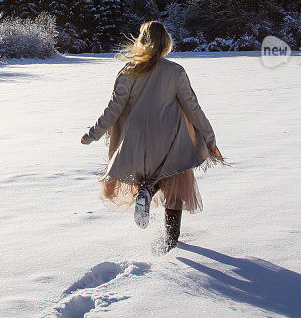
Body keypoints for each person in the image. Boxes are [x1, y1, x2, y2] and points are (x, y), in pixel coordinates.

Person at [81, 20, 225, 253]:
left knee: (149, 175)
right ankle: (170, 240)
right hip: (171, 135)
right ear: (166, 42)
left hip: (137, 137)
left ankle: (147, 190)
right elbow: (193, 108)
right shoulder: (175, 71)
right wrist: (210, 139)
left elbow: (114, 108)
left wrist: (92, 134)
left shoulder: (129, 71)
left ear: (142, 41)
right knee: (176, 184)